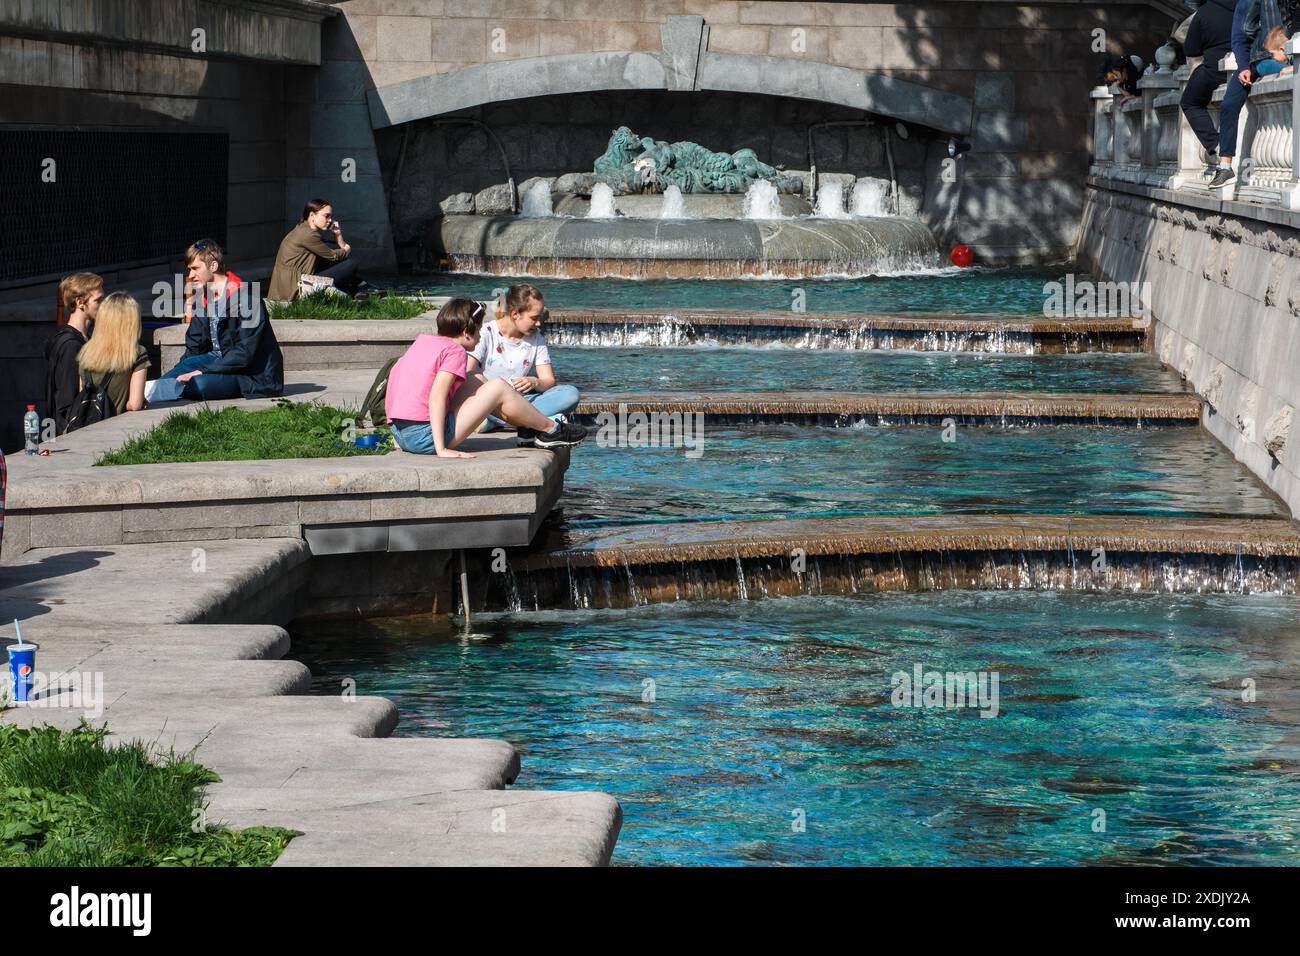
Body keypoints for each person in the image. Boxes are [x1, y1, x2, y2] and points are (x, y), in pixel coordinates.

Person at [384, 298, 587, 458]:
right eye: (478, 330)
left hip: (402, 434)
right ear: (466, 333)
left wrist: (395, 433)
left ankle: (527, 424)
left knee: (475, 377)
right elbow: (436, 397)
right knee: (497, 387)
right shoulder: (455, 351)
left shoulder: (424, 342)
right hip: (424, 438)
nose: (481, 335)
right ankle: (551, 430)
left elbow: (395, 378)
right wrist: (441, 449)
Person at [159, 240, 284, 401]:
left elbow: (245, 353)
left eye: (195, 269)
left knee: (198, 385)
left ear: (213, 266)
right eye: (189, 270)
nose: (190, 275)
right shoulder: (203, 299)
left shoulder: (247, 297)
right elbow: (194, 348)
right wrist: (182, 371)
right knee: (164, 383)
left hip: (251, 374)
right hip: (214, 361)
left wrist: (203, 371)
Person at [468, 284, 580, 430]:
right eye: (534, 318)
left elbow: (549, 381)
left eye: (539, 317)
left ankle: (502, 422)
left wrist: (534, 382)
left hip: (522, 401)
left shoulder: (537, 338)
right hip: (489, 403)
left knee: (570, 394)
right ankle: (530, 421)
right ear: (515, 314)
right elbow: (468, 373)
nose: (539, 323)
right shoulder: (486, 333)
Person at [1208, 0, 1287, 189]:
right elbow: (1239, 38)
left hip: (1283, 56)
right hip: (1256, 60)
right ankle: (1225, 166)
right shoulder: (1244, 3)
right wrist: (1243, 67)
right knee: (1228, 105)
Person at [1182, 0, 1238, 175]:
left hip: (1215, 69)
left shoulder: (1205, 11)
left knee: (1189, 102)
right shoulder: (1247, 5)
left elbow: (1191, 49)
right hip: (1244, 65)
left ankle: (1215, 143)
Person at [267, 198, 360, 301]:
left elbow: (333, 252)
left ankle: (359, 290)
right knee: (351, 264)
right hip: (296, 289)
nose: (330, 220)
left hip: (292, 284)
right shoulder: (308, 235)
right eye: (326, 216)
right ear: (312, 215)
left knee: (337, 258)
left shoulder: (303, 229)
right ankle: (359, 290)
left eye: (331, 216)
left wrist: (338, 235)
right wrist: (347, 248)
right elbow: (334, 256)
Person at [45, 272, 103, 434]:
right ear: (80, 302)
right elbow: (66, 402)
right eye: (98, 300)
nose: (103, 305)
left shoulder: (84, 339)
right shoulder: (70, 346)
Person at [75, 292, 149, 417]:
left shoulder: (86, 352)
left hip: (86, 428)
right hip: (115, 429)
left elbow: (83, 395)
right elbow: (135, 404)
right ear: (132, 322)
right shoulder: (137, 353)